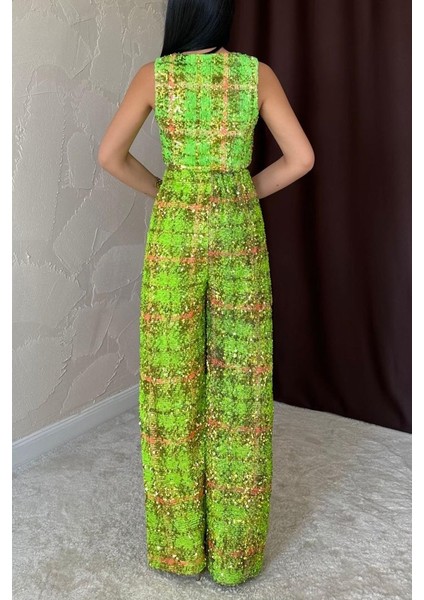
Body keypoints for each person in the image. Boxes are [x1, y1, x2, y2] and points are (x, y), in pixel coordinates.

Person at [98, 0, 314, 587]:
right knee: (240, 385)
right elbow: (301, 158)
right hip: (238, 230)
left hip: (176, 232)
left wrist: (167, 191)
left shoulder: (155, 76)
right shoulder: (255, 74)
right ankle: (234, 556)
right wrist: (241, 192)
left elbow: (110, 156)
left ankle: (179, 550)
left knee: (171, 381)